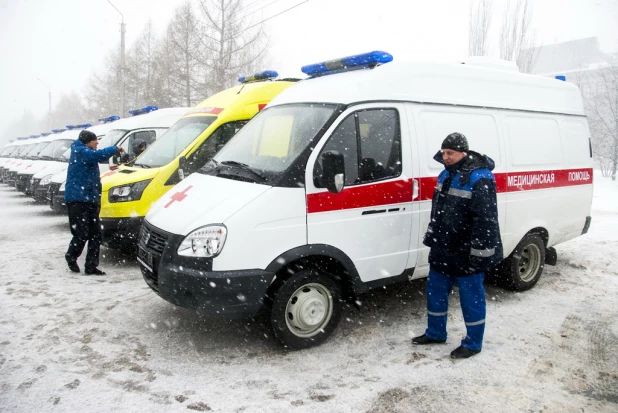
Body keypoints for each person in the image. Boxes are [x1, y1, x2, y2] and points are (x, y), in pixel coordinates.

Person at [412, 132, 503, 359]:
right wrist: (432, 234)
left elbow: (486, 219)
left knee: (471, 297)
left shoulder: (480, 177)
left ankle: (473, 343)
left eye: (450, 153)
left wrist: (479, 254)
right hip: (443, 247)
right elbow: (437, 211)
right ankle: (435, 333)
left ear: (463, 152)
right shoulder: (444, 175)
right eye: (444, 153)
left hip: (466, 251)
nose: (446, 157)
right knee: (435, 291)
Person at [64, 130, 123, 276]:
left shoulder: (84, 152)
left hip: (90, 199)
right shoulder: (80, 151)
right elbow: (98, 156)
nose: (97, 143)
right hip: (78, 200)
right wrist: (115, 148)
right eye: (95, 140)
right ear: (87, 141)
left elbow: (98, 159)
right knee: (81, 233)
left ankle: (91, 266)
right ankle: (71, 255)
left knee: (95, 235)